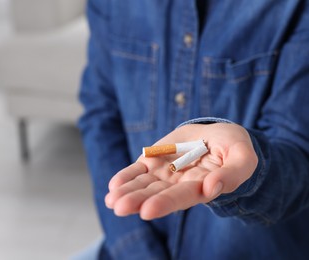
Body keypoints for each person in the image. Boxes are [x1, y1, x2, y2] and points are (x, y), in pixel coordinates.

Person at [78, 0, 309, 259]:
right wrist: (135, 248)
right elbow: (100, 116)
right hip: (132, 243)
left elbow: (298, 153)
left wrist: (252, 168)